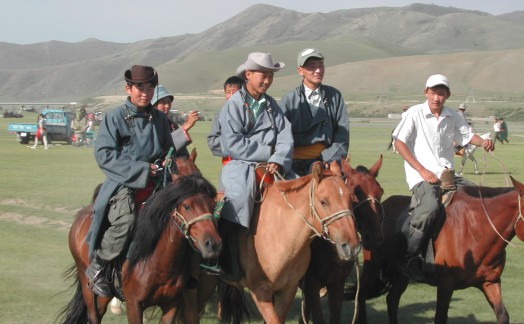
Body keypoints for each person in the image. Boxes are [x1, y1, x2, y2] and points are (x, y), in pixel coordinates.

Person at [85, 65, 175, 297]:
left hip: (158, 182)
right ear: (128, 88)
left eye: (150, 87)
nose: (145, 92)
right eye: (140, 87)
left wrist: (171, 162)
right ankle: (99, 266)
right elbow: (104, 154)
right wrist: (142, 169)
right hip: (124, 182)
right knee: (125, 220)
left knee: (187, 218)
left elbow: (169, 149)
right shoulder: (115, 117)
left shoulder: (160, 119)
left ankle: (183, 271)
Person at [392, 74, 494, 273]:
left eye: (441, 93)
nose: (436, 98)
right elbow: (399, 142)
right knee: (430, 207)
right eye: (433, 93)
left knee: (479, 197)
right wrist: (422, 170)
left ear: (447, 95)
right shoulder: (415, 113)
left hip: (448, 174)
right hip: (421, 175)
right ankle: (410, 255)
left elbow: (467, 136)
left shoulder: (452, 116)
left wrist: (482, 142)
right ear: (426, 93)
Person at [216, 52, 294, 276]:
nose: (267, 80)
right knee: (238, 200)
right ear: (248, 74)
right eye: (263, 75)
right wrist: (267, 153)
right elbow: (232, 143)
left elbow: (285, 136)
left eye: (270, 76)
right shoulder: (234, 105)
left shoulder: (271, 105)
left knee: (299, 191)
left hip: (272, 166)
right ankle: (224, 257)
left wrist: (278, 159)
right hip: (240, 166)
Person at [279, 48, 349, 176]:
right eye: (312, 67)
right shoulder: (288, 100)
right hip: (293, 164)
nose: (318, 71)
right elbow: (280, 135)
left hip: (325, 161)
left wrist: (332, 158)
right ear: (300, 71)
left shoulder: (335, 96)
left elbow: (342, 132)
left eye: (321, 66)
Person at [152, 84, 199, 156]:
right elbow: (162, 147)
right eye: (163, 103)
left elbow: (182, 154)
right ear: (153, 105)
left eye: (169, 102)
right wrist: (185, 127)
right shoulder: (148, 125)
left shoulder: (172, 125)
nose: (167, 106)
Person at [207, 75, 245, 164]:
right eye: (228, 92)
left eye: (235, 92)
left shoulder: (252, 114)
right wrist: (234, 140)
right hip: (230, 164)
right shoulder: (220, 116)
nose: (231, 96)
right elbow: (212, 142)